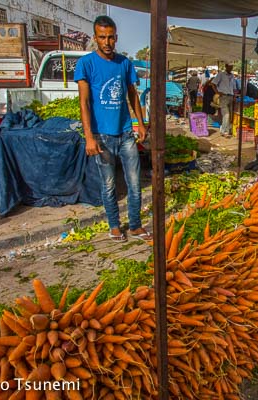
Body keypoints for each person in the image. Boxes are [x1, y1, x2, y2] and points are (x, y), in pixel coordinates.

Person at [75, 15, 150, 243]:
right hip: (102, 136)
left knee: (134, 183)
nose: (107, 42)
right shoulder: (86, 64)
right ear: (95, 38)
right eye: (102, 37)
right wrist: (89, 137)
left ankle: (135, 225)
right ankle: (115, 225)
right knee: (108, 185)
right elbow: (84, 103)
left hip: (126, 132)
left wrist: (141, 122)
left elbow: (132, 94)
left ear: (116, 37)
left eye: (110, 37)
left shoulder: (124, 63)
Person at [211, 63, 238, 138]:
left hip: (231, 97)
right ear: (226, 66)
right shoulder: (221, 74)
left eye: (232, 66)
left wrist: (235, 95)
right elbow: (213, 84)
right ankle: (224, 131)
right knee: (226, 114)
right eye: (230, 66)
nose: (231, 68)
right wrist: (217, 92)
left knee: (230, 115)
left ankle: (228, 130)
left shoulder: (232, 76)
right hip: (223, 97)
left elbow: (234, 87)